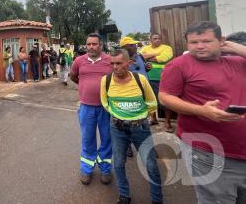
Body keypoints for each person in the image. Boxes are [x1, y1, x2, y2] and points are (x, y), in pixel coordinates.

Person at [159, 21, 246, 204]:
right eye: (193, 42)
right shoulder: (179, 65)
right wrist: (201, 111)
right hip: (208, 151)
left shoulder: (238, 62)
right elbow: (165, 97)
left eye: (206, 41)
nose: (199, 46)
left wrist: (235, 48)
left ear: (221, 41)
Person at [101, 49, 162, 204]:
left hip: (140, 128)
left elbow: (152, 102)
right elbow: (105, 103)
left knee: (151, 165)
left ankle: (157, 199)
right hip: (117, 128)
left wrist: (137, 118)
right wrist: (119, 115)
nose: (115, 67)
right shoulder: (105, 81)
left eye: (119, 63)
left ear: (129, 63)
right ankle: (124, 195)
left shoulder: (140, 79)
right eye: (112, 63)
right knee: (119, 163)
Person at [70, 33, 113, 185]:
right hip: (86, 107)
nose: (91, 47)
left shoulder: (110, 61)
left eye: (94, 44)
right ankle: (87, 169)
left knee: (107, 138)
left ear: (101, 45)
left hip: (106, 108)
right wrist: (86, 87)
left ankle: (106, 168)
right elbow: (73, 77)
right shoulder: (78, 61)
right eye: (88, 44)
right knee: (87, 139)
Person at [140, 33, 174, 132]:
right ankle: (154, 119)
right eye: (155, 38)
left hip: (163, 78)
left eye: (159, 38)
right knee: (150, 99)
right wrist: (156, 54)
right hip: (148, 78)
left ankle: (167, 122)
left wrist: (149, 57)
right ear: (151, 40)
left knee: (165, 101)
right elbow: (141, 57)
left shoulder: (167, 48)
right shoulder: (145, 48)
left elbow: (164, 58)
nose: (157, 40)